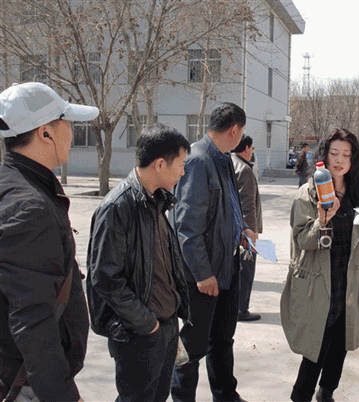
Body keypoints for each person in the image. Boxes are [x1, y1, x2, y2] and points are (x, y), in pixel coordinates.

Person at [0, 82, 99, 401]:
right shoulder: (29, 207)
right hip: (27, 384)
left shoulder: (20, 185)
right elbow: (33, 322)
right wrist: (65, 396)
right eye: (67, 123)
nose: (72, 133)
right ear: (45, 133)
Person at [86, 123, 191, 402]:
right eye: (181, 165)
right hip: (139, 334)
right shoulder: (117, 206)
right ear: (160, 164)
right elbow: (105, 278)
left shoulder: (158, 201)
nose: (183, 172)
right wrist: (147, 324)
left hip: (165, 328)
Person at [281, 128, 359, 402]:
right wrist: (322, 221)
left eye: (346, 155)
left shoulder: (358, 193)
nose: (339, 160)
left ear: (354, 159)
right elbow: (302, 239)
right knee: (316, 348)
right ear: (325, 156)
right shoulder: (308, 193)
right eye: (334, 153)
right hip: (319, 281)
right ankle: (300, 397)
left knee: (341, 343)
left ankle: (326, 393)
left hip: (349, 280)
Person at [170, 103, 255, 402]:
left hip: (226, 267)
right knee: (192, 345)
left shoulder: (223, 159)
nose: (241, 136)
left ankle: (225, 395)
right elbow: (187, 226)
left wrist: (242, 230)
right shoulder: (198, 161)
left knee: (222, 339)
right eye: (241, 131)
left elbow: (225, 209)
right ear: (234, 130)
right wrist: (202, 273)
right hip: (204, 275)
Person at [231, 135, 263, 322]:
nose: (252, 152)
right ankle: (241, 309)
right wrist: (250, 233)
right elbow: (247, 205)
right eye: (251, 148)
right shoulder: (244, 169)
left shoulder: (230, 163)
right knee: (246, 270)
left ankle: (235, 307)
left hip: (233, 229)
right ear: (246, 148)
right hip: (244, 232)